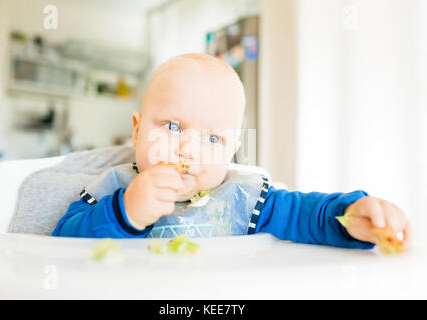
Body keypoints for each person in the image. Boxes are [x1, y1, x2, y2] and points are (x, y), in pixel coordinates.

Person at [52, 53, 412, 250]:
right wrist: (126, 211)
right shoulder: (113, 189)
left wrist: (349, 216)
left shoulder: (246, 198)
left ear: (232, 151)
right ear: (136, 130)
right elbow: (62, 244)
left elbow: (308, 216)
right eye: (173, 127)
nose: (188, 148)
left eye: (212, 139)